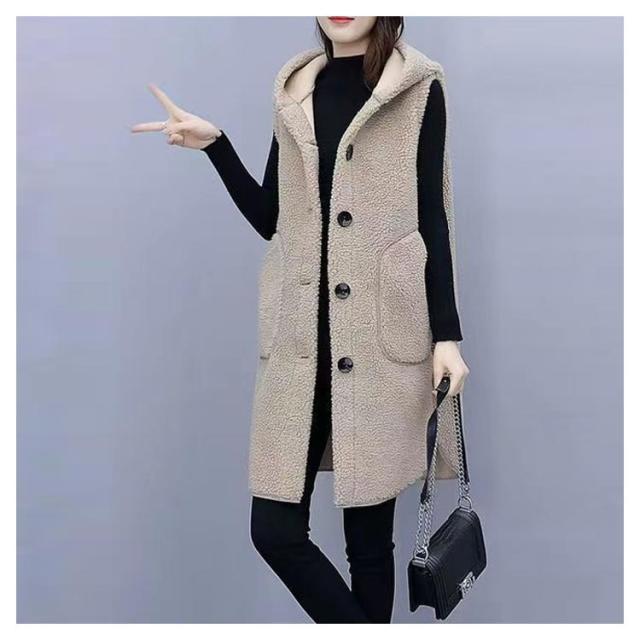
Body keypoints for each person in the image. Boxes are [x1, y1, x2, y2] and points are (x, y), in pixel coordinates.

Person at [132, 16, 470, 624]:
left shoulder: (418, 88)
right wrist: (216, 146)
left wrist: (447, 336)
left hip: (379, 339)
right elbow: (272, 214)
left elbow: (433, 219)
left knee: (370, 544)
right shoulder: (295, 91)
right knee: (274, 529)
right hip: (301, 343)